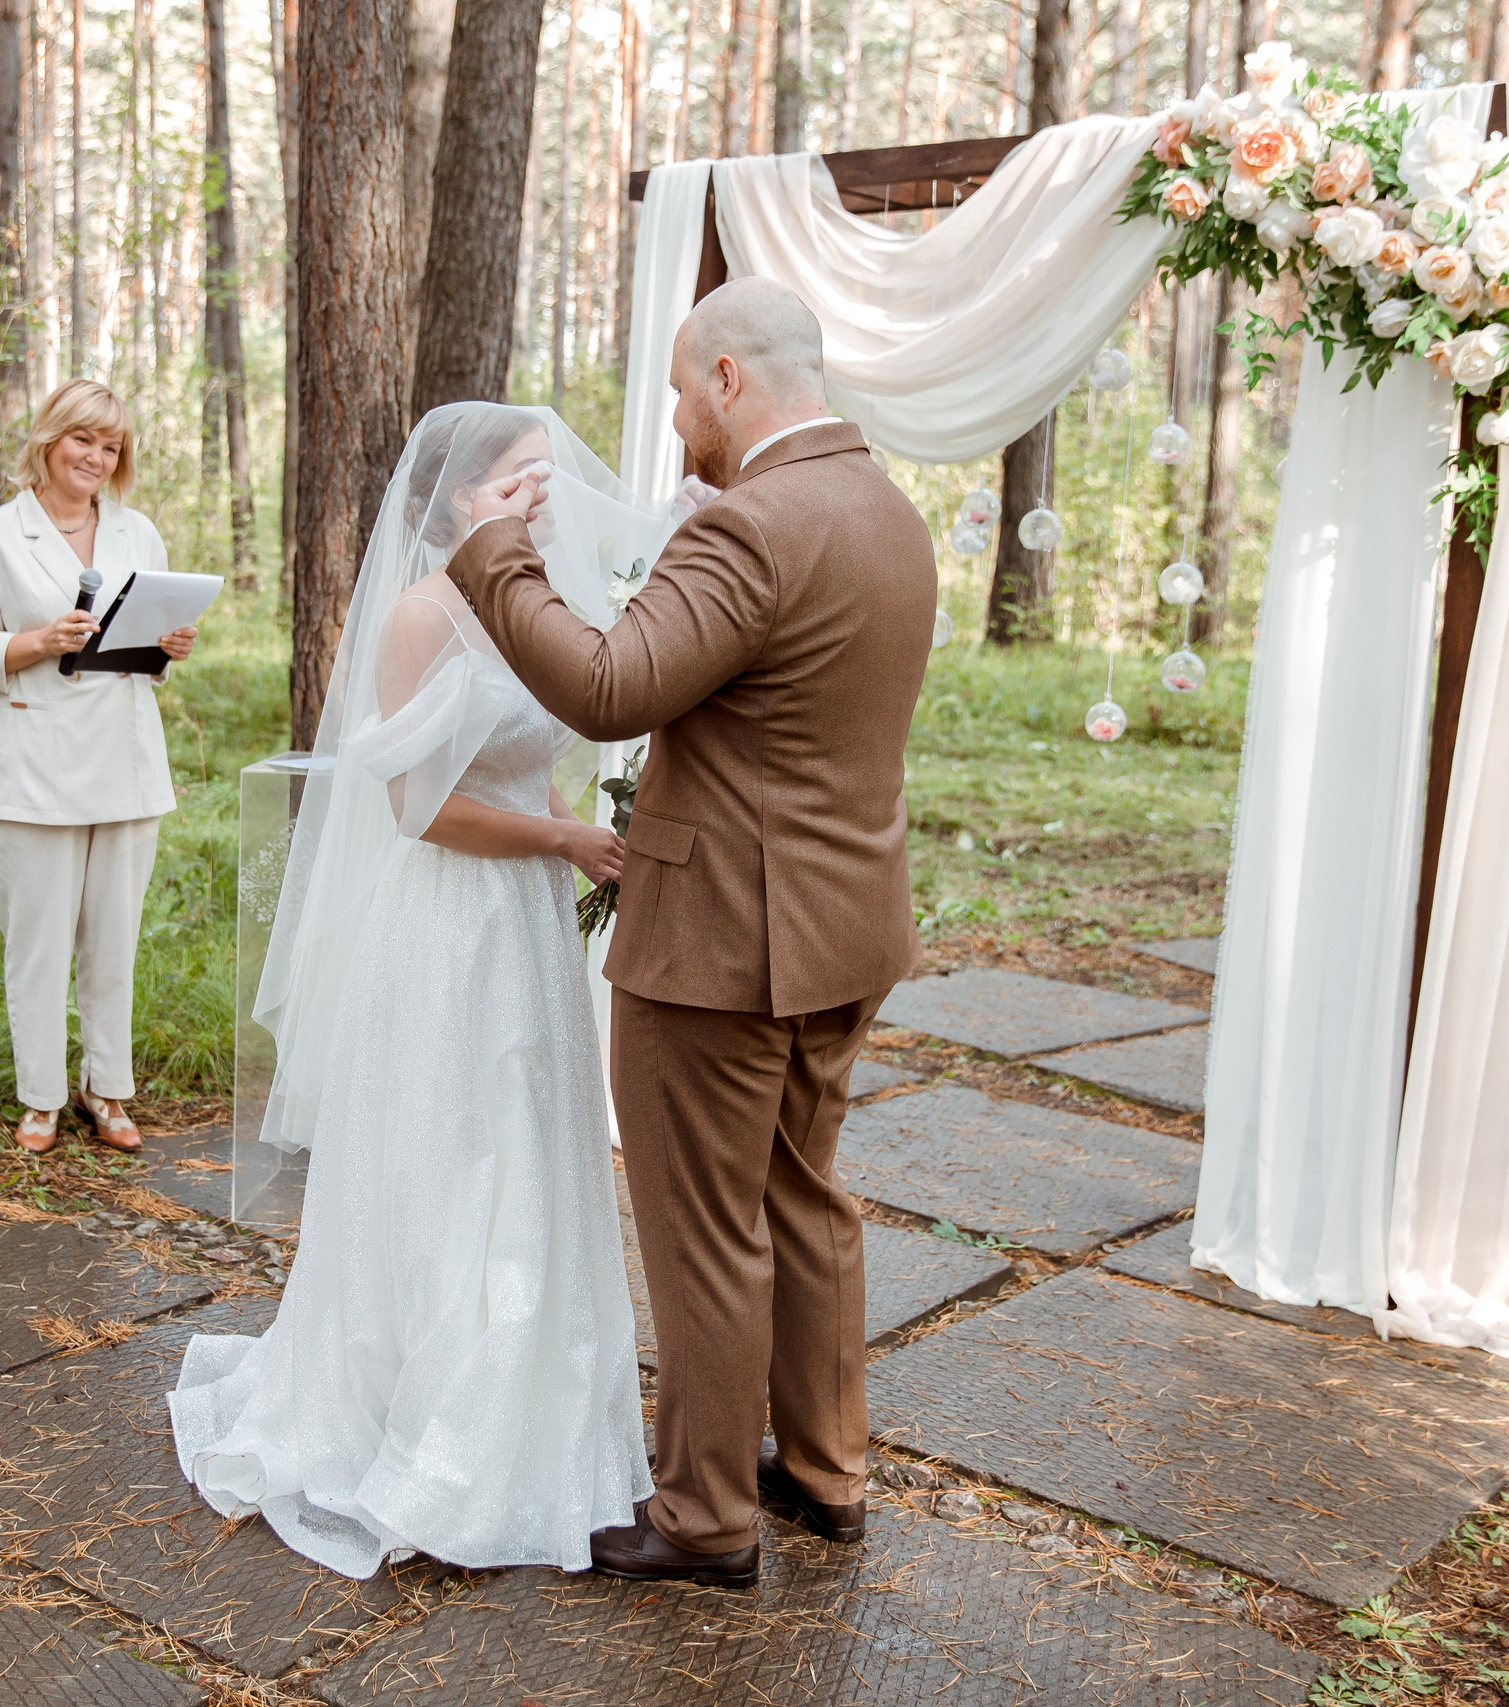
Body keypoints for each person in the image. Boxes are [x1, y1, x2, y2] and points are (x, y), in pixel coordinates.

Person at [453, 277, 940, 1587]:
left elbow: (611, 688)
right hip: (847, 926)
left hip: (722, 943)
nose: (676, 417)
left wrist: (493, 557)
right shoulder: (890, 511)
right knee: (805, 1195)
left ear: (730, 377)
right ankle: (825, 1468)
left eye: (679, 387)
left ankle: (709, 1511)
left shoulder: (750, 527)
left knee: (704, 1222)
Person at [165, 403, 668, 1579]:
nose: (542, 495)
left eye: (549, 476)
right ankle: (425, 1419)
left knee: (528, 1143)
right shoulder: (421, 618)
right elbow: (420, 810)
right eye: (516, 482)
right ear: (454, 506)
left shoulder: (539, 609)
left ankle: (531, 1403)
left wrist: (577, 829)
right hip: (447, 926)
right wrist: (566, 851)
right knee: (454, 1149)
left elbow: (535, 759)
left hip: (528, 929)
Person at [0, 378, 199, 1157]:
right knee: (40, 941)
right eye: (83, 439)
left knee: (113, 938)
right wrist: (37, 642)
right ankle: (42, 1097)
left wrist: (167, 650)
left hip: (124, 757)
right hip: (35, 759)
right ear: (49, 442)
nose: (95, 456)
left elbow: (144, 643)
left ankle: (107, 1088)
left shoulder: (137, 533)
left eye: (110, 446)